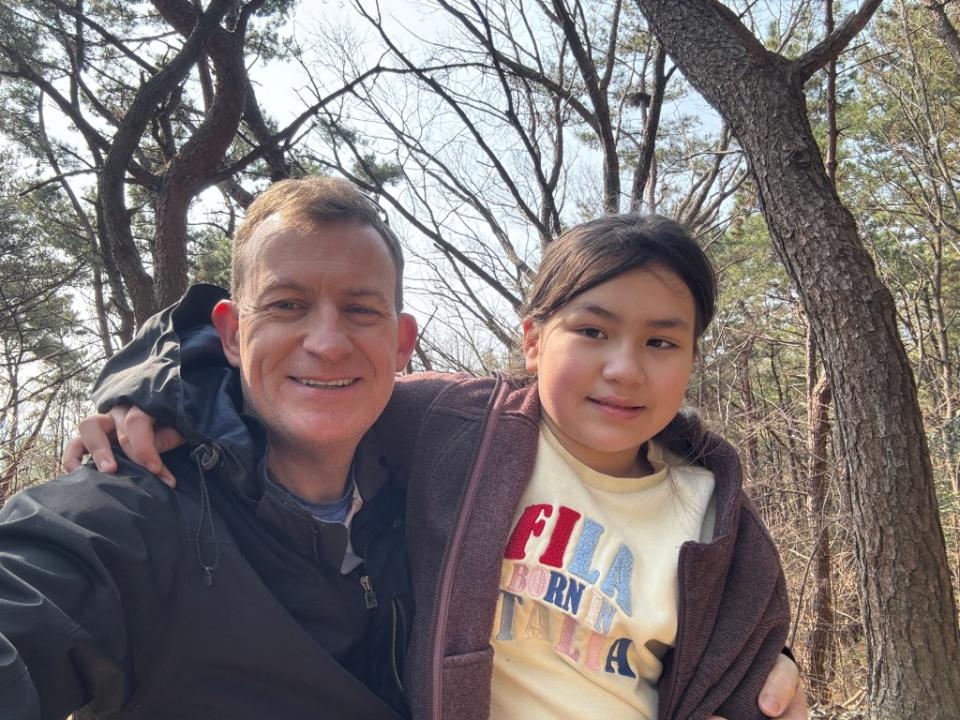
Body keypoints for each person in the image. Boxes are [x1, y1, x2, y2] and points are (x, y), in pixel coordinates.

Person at [67, 203, 807, 719]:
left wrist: (779, 676)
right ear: (533, 340)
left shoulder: (716, 514)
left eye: (661, 342)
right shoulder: (454, 425)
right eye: (592, 329)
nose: (624, 368)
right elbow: (288, 366)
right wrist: (144, 393)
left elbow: (748, 670)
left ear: (690, 359)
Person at [0, 178, 417, 718]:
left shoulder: (433, 491)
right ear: (232, 335)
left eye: (360, 310)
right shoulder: (136, 511)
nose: (328, 342)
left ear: (401, 343)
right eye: (287, 305)